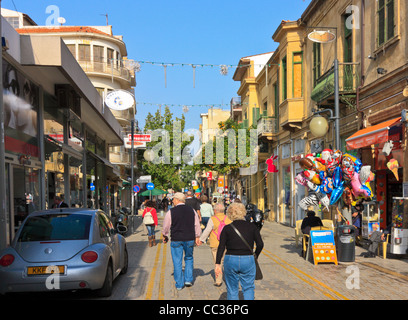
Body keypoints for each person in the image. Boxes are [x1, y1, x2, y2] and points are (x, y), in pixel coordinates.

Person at [215, 202, 264, 300]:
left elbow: (221, 247)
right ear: (244, 213)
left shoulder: (227, 228)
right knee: (248, 287)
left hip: (231, 259)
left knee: (232, 289)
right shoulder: (252, 227)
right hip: (248, 259)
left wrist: (217, 264)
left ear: (229, 213)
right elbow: (260, 244)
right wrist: (256, 255)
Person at [162, 192, 202, 290]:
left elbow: (166, 225)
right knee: (189, 258)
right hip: (189, 238)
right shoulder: (192, 210)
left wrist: (165, 235)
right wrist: (197, 236)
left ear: (177, 200)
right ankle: (188, 280)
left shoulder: (171, 212)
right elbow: (196, 224)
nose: (173, 201)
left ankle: (179, 284)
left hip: (176, 238)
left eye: (173, 199)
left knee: (177, 261)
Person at [200, 202, 232, 286]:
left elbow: (207, 230)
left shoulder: (212, 219)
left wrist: (201, 240)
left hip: (215, 244)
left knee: (218, 262)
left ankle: (218, 280)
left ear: (215, 210)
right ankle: (230, 279)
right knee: (228, 262)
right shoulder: (228, 218)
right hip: (227, 244)